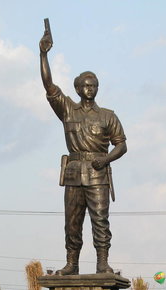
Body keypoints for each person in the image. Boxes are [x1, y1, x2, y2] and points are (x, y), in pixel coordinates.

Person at [40, 21, 127, 275]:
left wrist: (107, 159)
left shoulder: (108, 115)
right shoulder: (67, 109)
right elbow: (48, 86)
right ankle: (72, 263)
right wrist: (43, 54)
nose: (90, 89)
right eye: (86, 86)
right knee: (72, 222)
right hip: (74, 172)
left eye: (94, 85)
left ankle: (102, 262)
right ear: (78, 89)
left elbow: (122, 144)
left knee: (100, 220)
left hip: (98, 172)